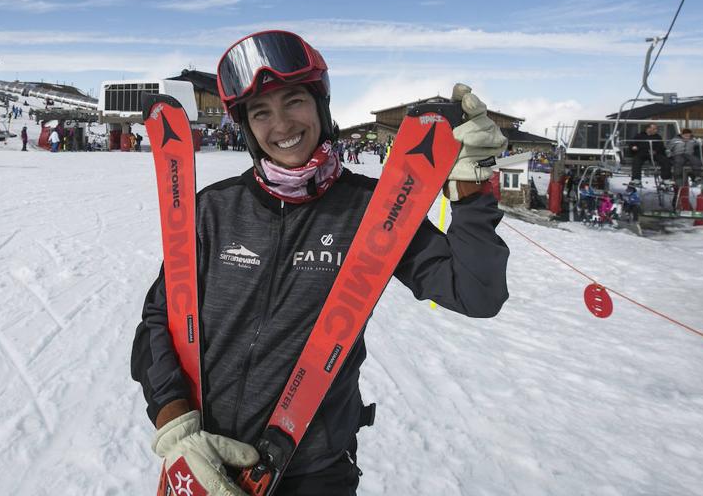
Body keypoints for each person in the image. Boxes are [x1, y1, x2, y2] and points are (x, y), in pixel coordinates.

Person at [131, 30, 510, 495]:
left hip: (313, 471)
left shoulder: (376, 211)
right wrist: (175, 424)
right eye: (261, 112)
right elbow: (158, 318)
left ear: (321, 105)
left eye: (294, 102)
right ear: (247, 127)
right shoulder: (214, 210)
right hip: (205, 458)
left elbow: (476, 293)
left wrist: (471, 190)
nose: (281, 124)